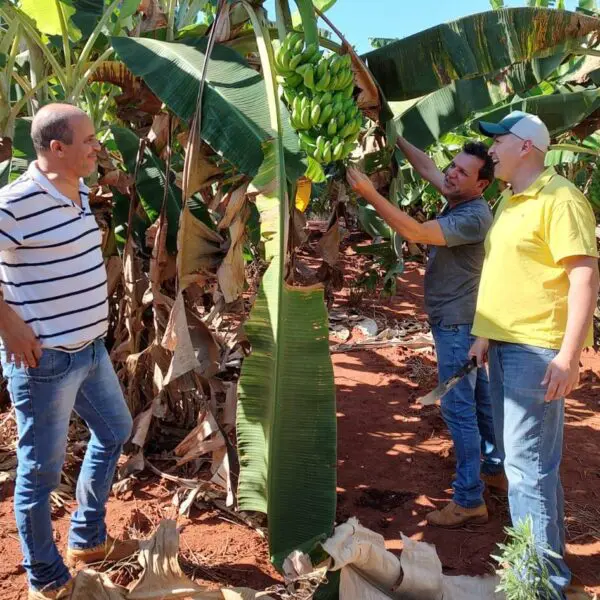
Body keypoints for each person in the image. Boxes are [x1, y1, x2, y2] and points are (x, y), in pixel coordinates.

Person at [0, 103, 137, 599]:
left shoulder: (76, 188)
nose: (97, 145)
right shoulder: (14, 202)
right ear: (56, 148)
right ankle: (46, 579)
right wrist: (9, 324)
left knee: (116, 430)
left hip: (90, 349)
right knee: (39, 474)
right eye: (88, 140)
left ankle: (88, 539)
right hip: (46, 362)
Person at [470, 111, 599, 598]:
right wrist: (485, 333)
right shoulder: (510, 198)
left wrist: (569, 355)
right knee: (525, 465)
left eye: (497, 141)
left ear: (525, 146)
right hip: (505, 344)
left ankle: (540, 585)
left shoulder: (561, 199)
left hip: (537, 350)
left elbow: (584, 276)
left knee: (528, 469)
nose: (490, 150)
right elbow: (507, 271)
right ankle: (539, 570)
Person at [347, 136, 504, 528]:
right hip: (464, 323)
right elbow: (429, 168)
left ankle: (469, 499)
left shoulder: (473, 217)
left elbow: (415, 232)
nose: (451, 174)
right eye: (454, 165)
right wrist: (398, 135)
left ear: (481, 184)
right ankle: (493, 467)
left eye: (462, 172)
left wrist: (368, 192)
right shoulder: (458, 194)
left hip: (457, 326)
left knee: (458, 411)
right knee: (481, 401)